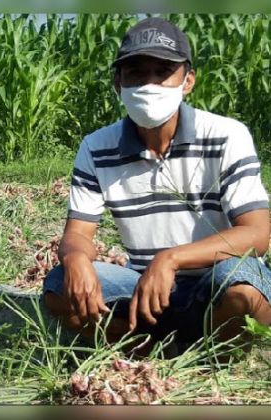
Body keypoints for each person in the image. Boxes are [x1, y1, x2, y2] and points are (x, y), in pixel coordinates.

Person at [42, 17, 271, 351]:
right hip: (143, 291)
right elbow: (78, 234)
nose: (150, 85)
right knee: (60, 286)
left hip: (212, 284)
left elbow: (257, 234)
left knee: (243, 287)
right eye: (136, 73)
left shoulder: (226, 136)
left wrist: (171, 259)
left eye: (163, 72)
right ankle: (149, 349)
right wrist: (75, 259)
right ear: (118, 82)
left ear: (187, 80)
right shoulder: (96, 147)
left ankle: (214, 355)